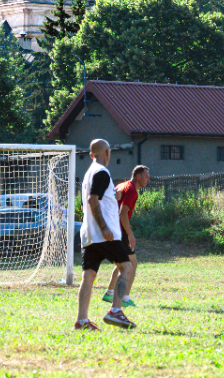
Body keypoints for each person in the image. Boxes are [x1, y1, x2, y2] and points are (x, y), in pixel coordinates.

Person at [75, 139, 136, 330]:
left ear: (92, 155)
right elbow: (93, 200)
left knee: (89, 276)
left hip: (88, 234)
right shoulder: (102, 171)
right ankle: (115, 311)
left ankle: (82, 320)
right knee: (126, 267)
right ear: (107, 153)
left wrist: (112, 196)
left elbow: (92, 199)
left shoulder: (89, 174)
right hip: (104, 233)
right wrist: (104, 227)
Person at [102, 165, 149, 308]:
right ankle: (125, 298)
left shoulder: (122, 185)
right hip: (120, 231)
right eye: (146, 177)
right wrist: (130, 235)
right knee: (132, 264)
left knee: (122, 263)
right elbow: (122, 213)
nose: (148, 180)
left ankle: (110, 292)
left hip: (113, 228)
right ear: (138, 176)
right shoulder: (132, 190)